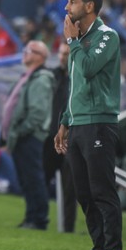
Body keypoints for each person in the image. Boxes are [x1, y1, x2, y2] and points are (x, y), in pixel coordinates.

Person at [54, 0, 124, 250]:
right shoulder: (80, 40)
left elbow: (89, 68)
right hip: (79, 123)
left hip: (99, 123)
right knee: (83, 192)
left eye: (72, 3)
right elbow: (76, 87)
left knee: (102, 190)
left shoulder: (107, 36)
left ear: (89, 7)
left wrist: (72, 43)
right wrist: (64, 121)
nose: (67, 8)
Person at [1, 40, 54, 230]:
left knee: (33, 178)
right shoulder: (29, 76)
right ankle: (31, 217)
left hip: (29, 136)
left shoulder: (41, 78)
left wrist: (21, 130)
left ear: (41, 57)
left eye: (29, 51)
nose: (24, 53)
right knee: (26, 179)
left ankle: (39, 219)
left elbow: (37, 113)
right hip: (21, 136)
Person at [42, 43, 76, 233]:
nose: (62, 57)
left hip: (70, 138)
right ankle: (39, 219)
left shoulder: (78, 77)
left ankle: (68, 228)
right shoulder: (52, 76)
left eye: (66, 54)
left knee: (69, 186)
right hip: (49, 137)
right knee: (42, 180)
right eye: (61, 54)